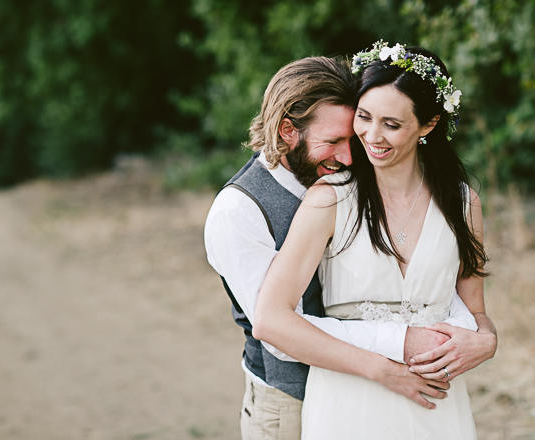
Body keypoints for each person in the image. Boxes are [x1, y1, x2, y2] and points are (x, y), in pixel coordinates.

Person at [204, 54, 495, 440]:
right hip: (299, 397)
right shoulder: (245, 210)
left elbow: (471, 306)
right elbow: (273, 325)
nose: (354, 150)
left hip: (432, 400)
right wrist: (395, 353)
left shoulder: (459, 202)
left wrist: (484, 339)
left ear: (428, 125)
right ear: (289, 131)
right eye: (341, 136)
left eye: (389, 124)